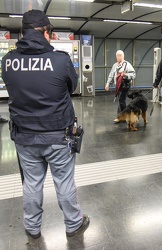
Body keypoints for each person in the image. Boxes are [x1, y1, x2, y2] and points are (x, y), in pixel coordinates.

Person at [2, 10, 89, 239]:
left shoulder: (8, 61)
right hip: (59, 136)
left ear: (22, 32)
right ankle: (73, 224)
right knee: (64, 181)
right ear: (47, 33)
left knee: (31, 183)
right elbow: (71, 87)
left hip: (24, 137)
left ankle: (32, 228)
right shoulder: (61, 60)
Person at [105, 50, 136, 123]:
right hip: (118, 86)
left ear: (123, 56)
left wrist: (125, 75)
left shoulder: (127, 64)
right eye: (117, 55)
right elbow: (111, 75)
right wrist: (107, 84)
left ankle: (120, 117)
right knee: (122, 101)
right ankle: (126, 116)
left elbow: (133, 75)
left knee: (121, 101)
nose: (118, 57)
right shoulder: (115, 65)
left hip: (125, 86)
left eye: (120, 55)